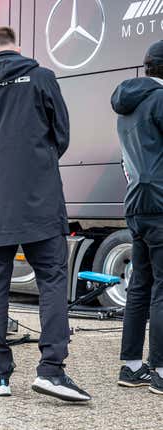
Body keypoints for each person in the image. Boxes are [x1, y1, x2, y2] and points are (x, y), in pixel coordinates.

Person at [0, 26, 90, 401]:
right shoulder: (41, 77)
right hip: (39, 198)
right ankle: (51, 371)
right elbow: (61, 135)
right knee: (51, 280)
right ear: (15, 46)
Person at [111, 40, 163, 396]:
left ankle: (131, 366)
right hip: (161, 202)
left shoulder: (128, 106)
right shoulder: (160, 100)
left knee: (140, 287)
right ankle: (160, 369)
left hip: (137, 206)